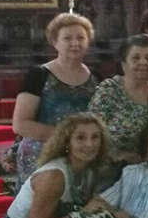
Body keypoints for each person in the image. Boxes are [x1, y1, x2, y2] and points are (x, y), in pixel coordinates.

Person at [12, 13, 99, 188]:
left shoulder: (97, 77)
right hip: (41, 156)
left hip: (81, 157)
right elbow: (21, 124)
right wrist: (67, 138)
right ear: (55, 42)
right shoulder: (39, 75)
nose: (75, 43)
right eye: (67, 38)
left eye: (80, 38)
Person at [88, 35, 148, 170]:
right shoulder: (109, 91)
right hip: (112, 170)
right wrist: (117, 156)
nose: (143, 62)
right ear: (124, 64)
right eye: (136, 58)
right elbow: (91, 133)